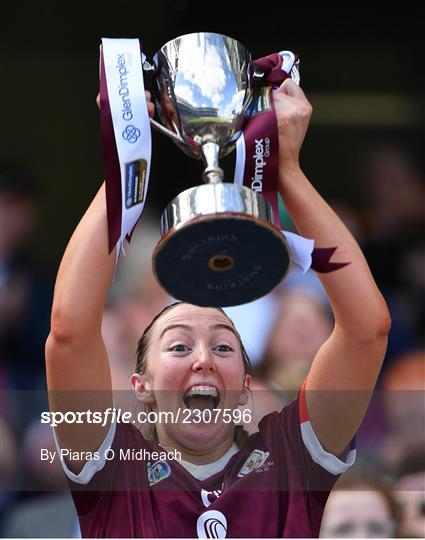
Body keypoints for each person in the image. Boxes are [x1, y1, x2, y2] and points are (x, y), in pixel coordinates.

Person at [45, 80, 391, 538]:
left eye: (225, 348)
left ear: (246, 388)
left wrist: (286, 170)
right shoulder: (112, 468)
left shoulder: (292, 458)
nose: (204, 359)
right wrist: (125, 168)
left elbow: (366, 330)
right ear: (141, 386)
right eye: (180, 345)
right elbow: (70, 330)